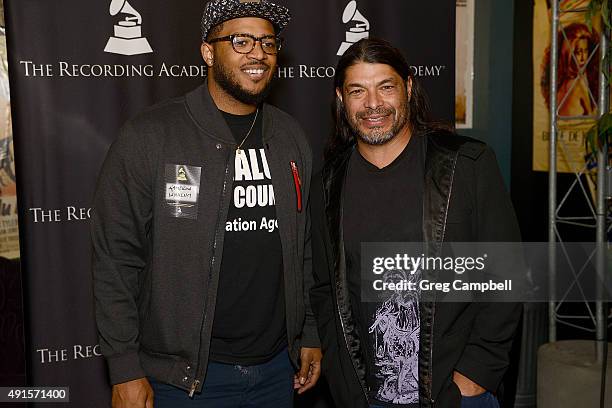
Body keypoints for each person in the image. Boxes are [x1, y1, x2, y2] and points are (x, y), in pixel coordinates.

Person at [91, 1, 321, 407]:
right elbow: (116, 258)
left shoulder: (290, 136)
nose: (259, 53)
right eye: (241, 40)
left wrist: (310, 333)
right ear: (208, 52)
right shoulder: (150, 136)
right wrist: (124, 367)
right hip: (185, 381)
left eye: (268, 42)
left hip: (276, 372)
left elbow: (302, 250)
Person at [309, 38, 522, 408]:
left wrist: (475, 375)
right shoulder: (327, 185)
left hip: (455, 393)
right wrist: (342, 378)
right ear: (342, 100)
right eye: (358, 90)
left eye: (385, 87)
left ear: (408, 87)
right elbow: (326, 289)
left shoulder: (466, 166)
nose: (373, 104)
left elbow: (506, 272)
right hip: (365, 396)